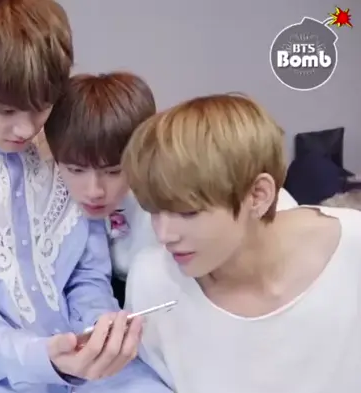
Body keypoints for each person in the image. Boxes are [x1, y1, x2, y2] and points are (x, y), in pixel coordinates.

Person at [0, 1, 178, 393]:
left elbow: (87, 274)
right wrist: (46, 358)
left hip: (91, 374)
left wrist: (99, 333)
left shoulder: (62, 144)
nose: (26, 128)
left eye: (42, 107)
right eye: (7, 110)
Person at [123, 93, 361, 393]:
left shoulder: (351, 248)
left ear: (258, 195)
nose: (164, 235)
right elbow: (141, 384)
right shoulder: (153, 281)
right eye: (153, 211)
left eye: (187, 212)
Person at [42, 72, 298, 305]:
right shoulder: (50, 199)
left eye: (113, 171)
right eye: (76, 170)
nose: (94, 191)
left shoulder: (185, 184)